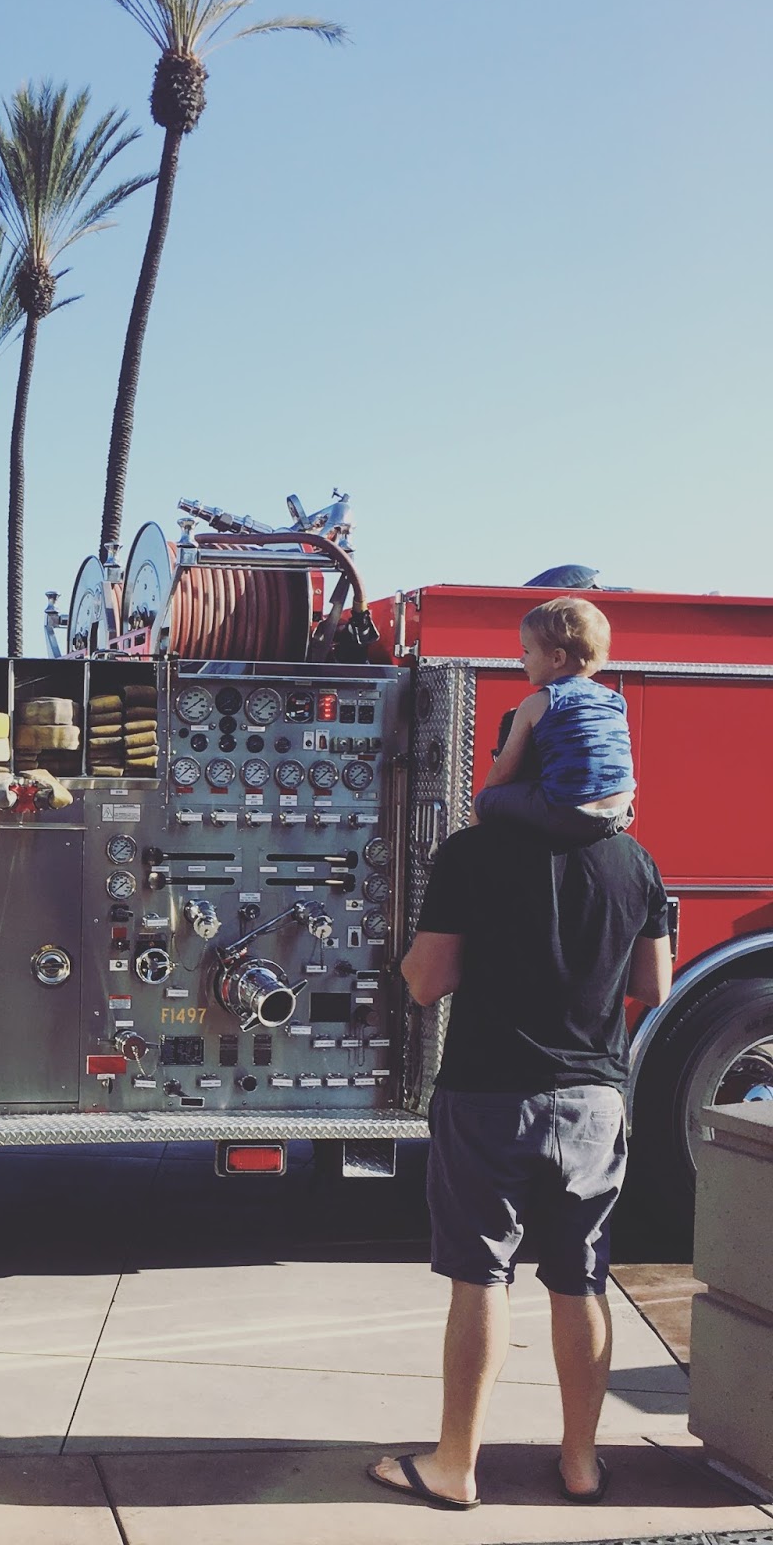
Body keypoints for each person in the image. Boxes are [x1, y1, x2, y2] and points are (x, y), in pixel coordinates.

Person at [367, 809, 672, 1511]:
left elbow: (425, 982)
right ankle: (581, 1466)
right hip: (594, 1100)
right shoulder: (634, 859)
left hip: (490, 1099)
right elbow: (653, 986)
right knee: (582, 1278)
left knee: (481, 1276)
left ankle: (455, 1467)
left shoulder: (471, 854)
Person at [474, 596, 635, 843]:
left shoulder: (538, 703)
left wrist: (487, 794)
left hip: (566, 812)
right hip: (620, 812)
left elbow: (503, 771)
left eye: (527, 651)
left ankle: (464, 850)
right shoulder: (615, 700)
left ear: (557, 658)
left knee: (485, 801)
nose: (521, 659)